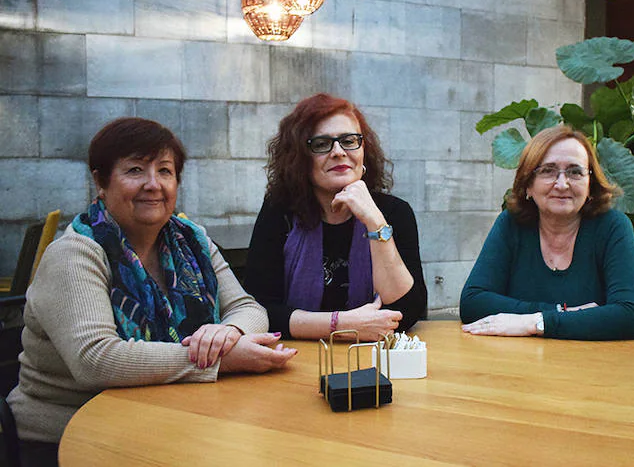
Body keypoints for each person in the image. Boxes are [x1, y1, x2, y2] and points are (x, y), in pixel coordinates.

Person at [6, 118, 295, 464]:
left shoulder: (193, 241)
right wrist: (217, 361)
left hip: (170, 420)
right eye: (135, 170)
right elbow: (95, 360)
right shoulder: (75, 253)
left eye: (165, 171)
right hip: (67, 437)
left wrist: (228, 332)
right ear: (101, 181)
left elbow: (248, 307)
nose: (153, 184)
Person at [243, 93, 426, 342]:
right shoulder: (280, 213)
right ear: (300, 158)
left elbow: (408, 310)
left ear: (364, 150)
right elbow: (258, 310)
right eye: (321, 144)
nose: (338, 152)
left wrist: (375, 222)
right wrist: (340, 325)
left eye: (349, 141)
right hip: (297, 358)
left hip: (373, 359)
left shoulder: (393, 212)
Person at [459, 125, 634, 340]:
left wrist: (536, 322)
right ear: (528, 184)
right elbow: (473, 302)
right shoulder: (512, 224)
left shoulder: (612, 226)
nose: (562, 184)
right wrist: (563, 313)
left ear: (590, 185)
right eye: (548, 171)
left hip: (593, 365)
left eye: (575, 172)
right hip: (519, 363)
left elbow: (631, 316)